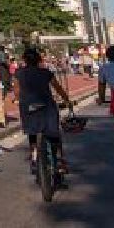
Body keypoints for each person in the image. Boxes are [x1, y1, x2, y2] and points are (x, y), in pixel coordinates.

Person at [14, 47, 72, 176]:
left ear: (24, 60)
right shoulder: (46, 72)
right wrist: (67, 101)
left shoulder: (19, 73)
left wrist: (18, 99)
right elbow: (58, 89)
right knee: (54, 134)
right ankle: (59, 159)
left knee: (32, 133)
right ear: (39, 60)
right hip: (47, 105)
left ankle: (34, 156)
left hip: (28, 107)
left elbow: (17, 92)